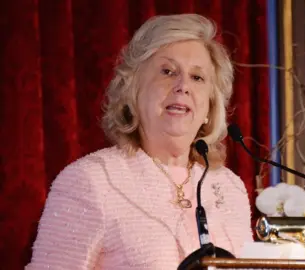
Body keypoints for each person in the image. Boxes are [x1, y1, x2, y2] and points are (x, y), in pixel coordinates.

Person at [26, 13, 253, 269]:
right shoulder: (90, 181)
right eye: (168, 71)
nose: (183, 86)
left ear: (210, 106)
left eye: (197, 77)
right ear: (133, 89)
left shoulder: (229, 188)